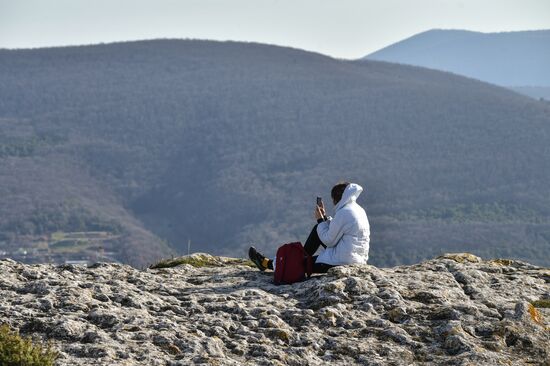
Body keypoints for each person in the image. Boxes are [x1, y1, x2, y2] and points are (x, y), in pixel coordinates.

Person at [249, 181, 370, 273]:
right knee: (317, 230)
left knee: (301, 264)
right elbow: (338, 231)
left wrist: (319, 220)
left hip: (342, 261)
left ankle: (266, 264)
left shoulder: (345, 212)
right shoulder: (357, 210)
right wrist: (324, 217)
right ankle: (277, 261)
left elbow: (329, 241)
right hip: (356, 259)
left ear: (337, 198)